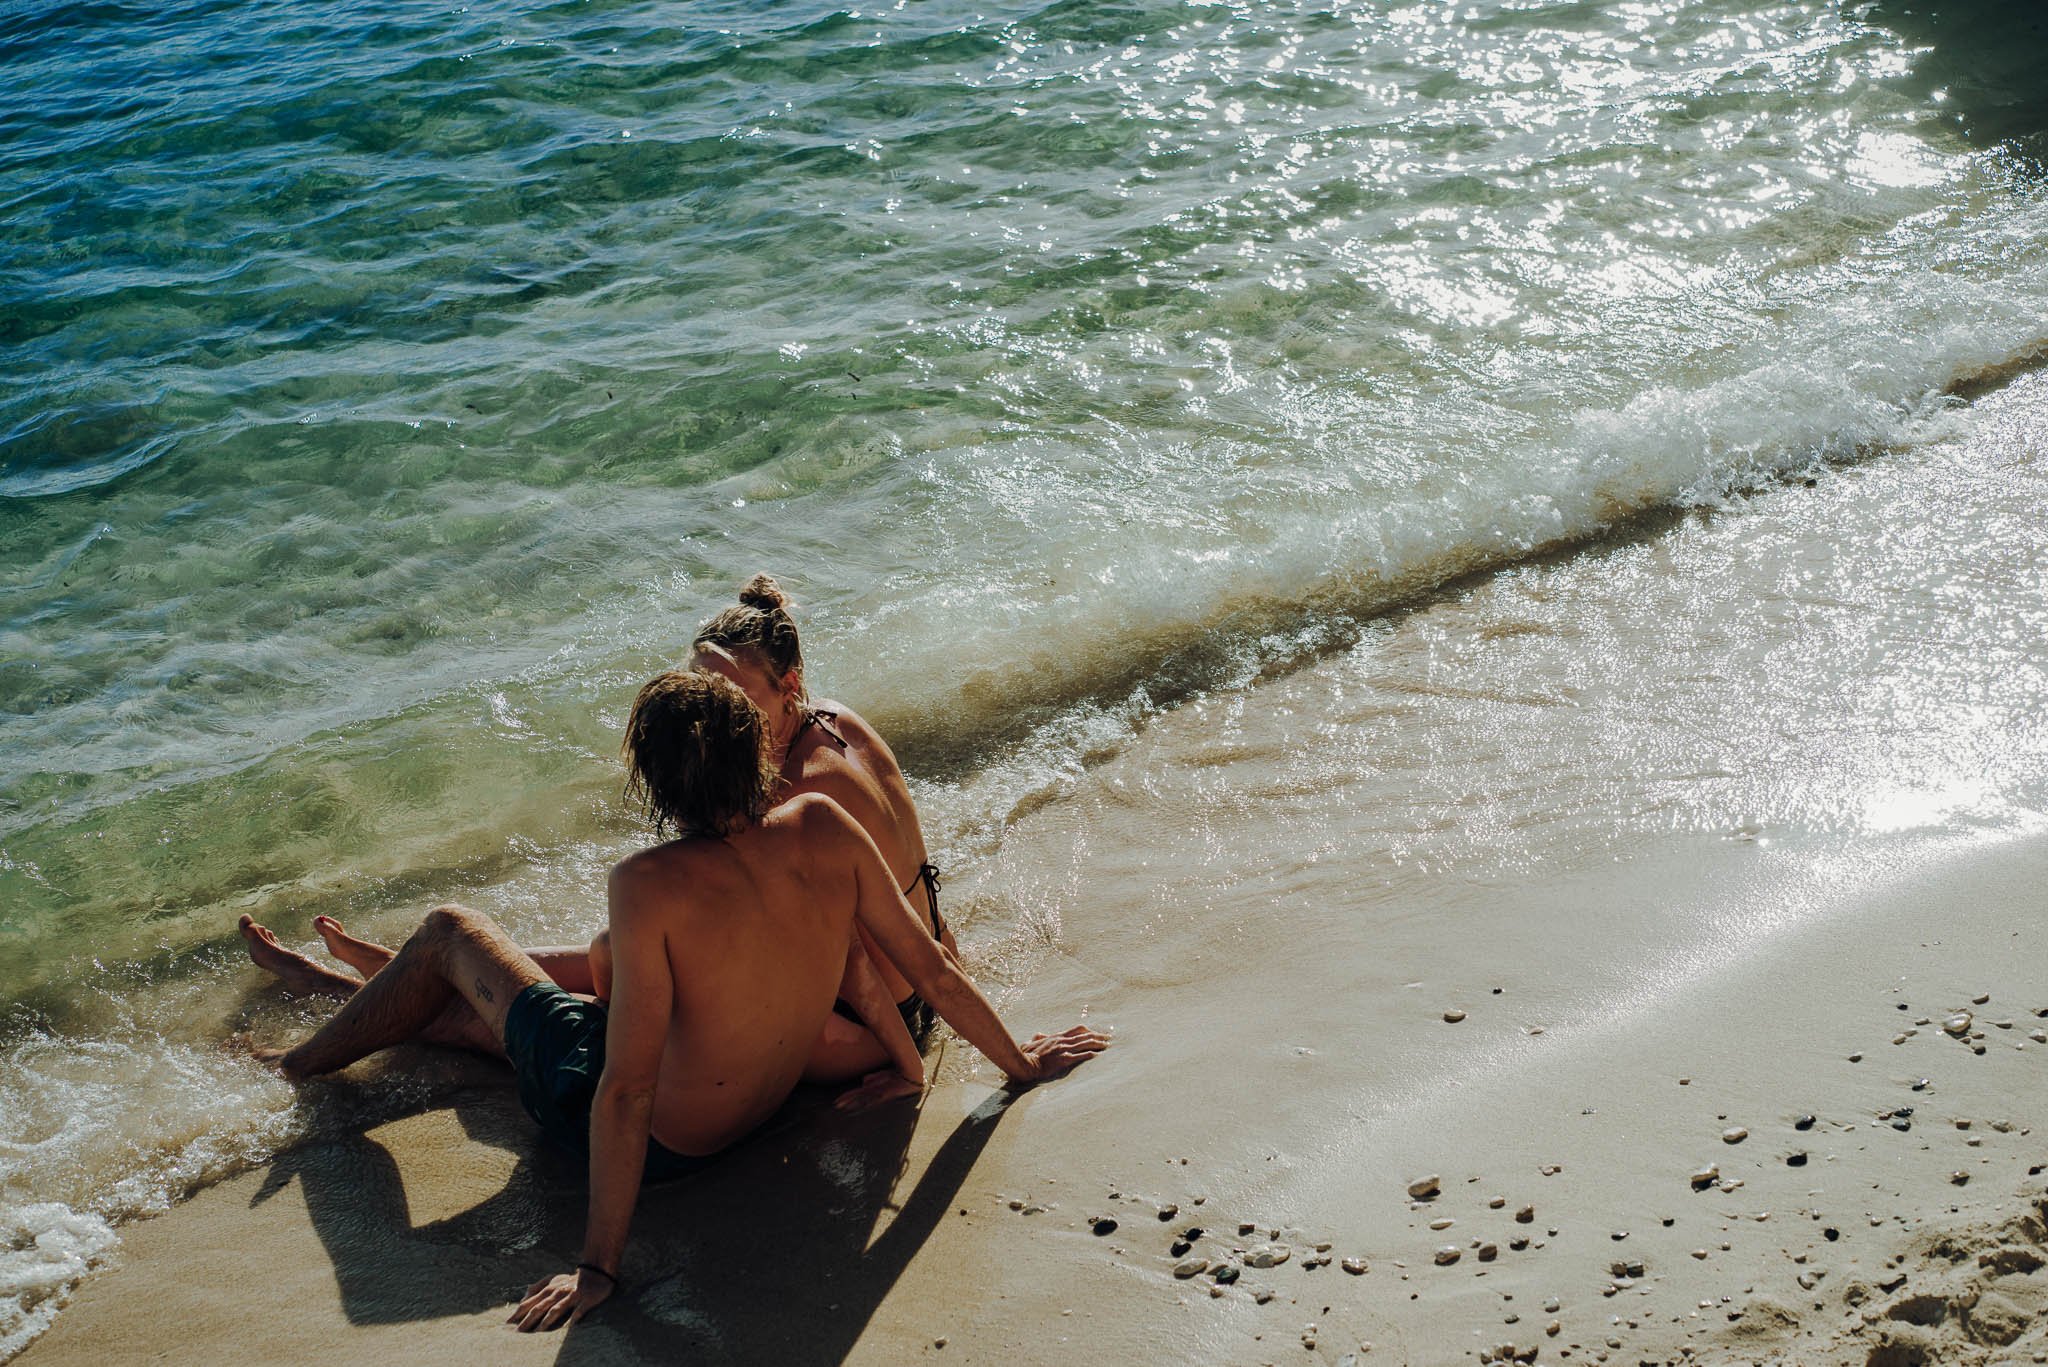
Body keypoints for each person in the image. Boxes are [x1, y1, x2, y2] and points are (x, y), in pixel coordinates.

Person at [243, 669, 1109, 1332]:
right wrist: (1021, 1063)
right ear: (756, 751)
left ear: (654, 786)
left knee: (449, 930)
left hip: (659, 1143)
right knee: (527, 1015)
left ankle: (298, 1062)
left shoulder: (647, 882)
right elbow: (936, 973)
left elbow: (623, 1089)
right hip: (754, 1111)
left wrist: (597, 1268)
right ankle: (363, 996)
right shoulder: (825, 824)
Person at [301, 574, 963, 1083]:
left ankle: (402, 993)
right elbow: (908, 884)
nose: (711, 713)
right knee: (621, 960)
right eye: (702, 690)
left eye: (730, 695)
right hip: (913, 987)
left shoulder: (796, 794)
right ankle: (413, 974)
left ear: (788, 684)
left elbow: (849, 963)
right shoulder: (837, 722)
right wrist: (944, 959)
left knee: (613, 1003)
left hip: (864, 1025)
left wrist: (902, 1070)